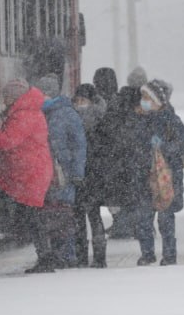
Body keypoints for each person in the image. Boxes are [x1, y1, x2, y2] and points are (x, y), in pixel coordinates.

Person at [0, 77, 54, 268]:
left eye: (6, 97)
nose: (3, 100)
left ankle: (45, 257)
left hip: (30, 173)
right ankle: (44, 255)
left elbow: (7, 141)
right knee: (33, 215)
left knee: (34, 216)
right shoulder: (26, 112)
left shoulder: (24, 115)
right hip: (29, 171)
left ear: (14, 97)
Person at [133, 79, 184, 266]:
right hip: (145, 177)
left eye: (147, 97)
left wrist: (162, 148)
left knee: (165, 219)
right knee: (143, 219)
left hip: (167, 178)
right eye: (142, 97)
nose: (143, 101)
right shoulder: (140, 120)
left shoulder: (172, 121)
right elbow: (134, 146)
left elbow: (182, 151)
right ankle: (147, 253)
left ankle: (169, 255)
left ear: (158, 100)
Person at [36, 74, 85, 270]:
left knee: (63, 212)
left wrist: (77, 172)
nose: (42, 96)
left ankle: (67, 254)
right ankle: (58, 253)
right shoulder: (45, 113)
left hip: (62, 171)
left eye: (44, 92)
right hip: (48, 171)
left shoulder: (66, 114)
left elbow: (79, 145)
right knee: (51, 213)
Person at [105, 66, 148, 239]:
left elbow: (111, 123)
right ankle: (138, 225)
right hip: (139, 153)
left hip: (120, 153)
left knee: (121, 191)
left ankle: (121, 224)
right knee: (139, 191)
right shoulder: (147, 100)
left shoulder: (119, 98)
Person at [72, 83, 109, 267]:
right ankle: (86, 255)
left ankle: (95, 256)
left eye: (83, 100)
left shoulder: (98, 120)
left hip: (92, 174)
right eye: (77, 100)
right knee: (81, 216)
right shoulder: (100, 117)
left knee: (91, 216)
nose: (80, 104)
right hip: (82, 174)